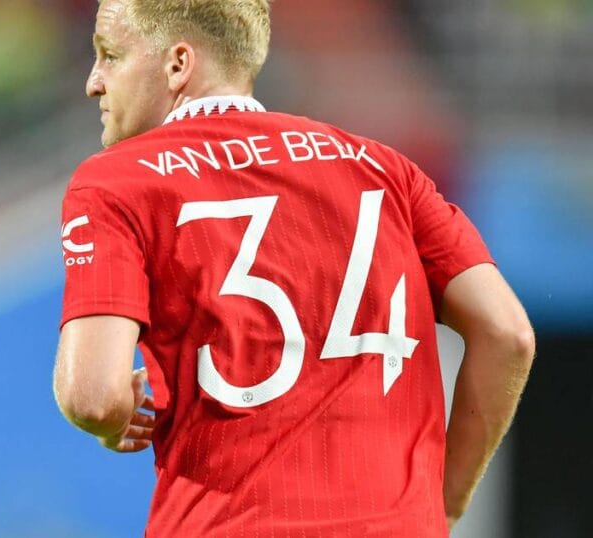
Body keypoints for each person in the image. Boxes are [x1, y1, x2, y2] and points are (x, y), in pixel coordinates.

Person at [52, 0, 536, 536]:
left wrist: (113, 417)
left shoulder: (116, 182)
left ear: (178, 64)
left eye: (110, 55)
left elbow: (93, 397)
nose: (94, 82)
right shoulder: (384, 167)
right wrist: (445, 503)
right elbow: (507, 333)